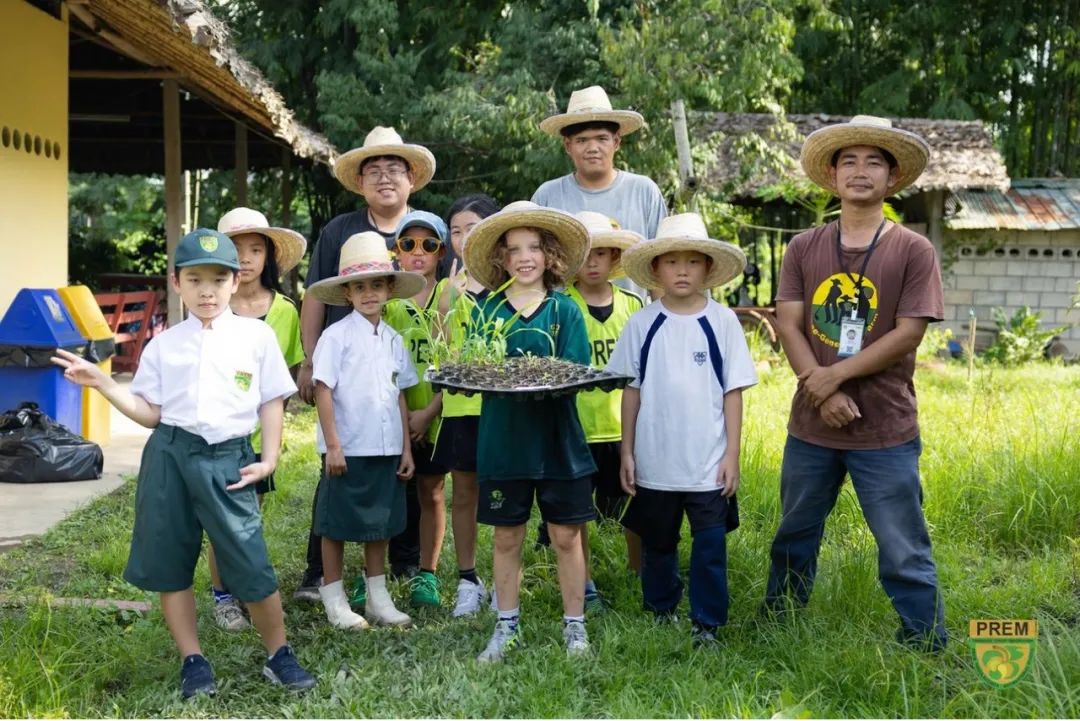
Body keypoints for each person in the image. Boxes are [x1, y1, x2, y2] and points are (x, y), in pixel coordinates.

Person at [51, 229, 315, 698]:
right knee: (172, 561)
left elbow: (272, 400)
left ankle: (279, 654)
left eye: (218, 279)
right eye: (195, 279)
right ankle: (193, 660)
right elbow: (151, 413)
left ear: (236, 282)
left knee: (250, 561)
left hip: (228, 458)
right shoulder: (164, 345)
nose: (207, 290)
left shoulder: (255, 337)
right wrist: (104, 385)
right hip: (170, 457)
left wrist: (269, 458)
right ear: (177, 283)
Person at [761, 115, 948, 652]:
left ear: (892, 179)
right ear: (831, 173)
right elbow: (789, 324)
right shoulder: (803, 247)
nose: (860, 171)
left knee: (902, 544)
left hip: (884, 427)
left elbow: (908, 332)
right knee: (795, 533)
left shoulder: (913, 250)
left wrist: (832, 378)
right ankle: (781, 627)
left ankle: (925, 640)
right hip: (811, 426)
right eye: (850, 161)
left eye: (874, 162)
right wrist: (820, 389)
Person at [295, 127, 436, 600]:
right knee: (336, 474)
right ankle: (320, 576)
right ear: (359, 181)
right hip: (343, 372)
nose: (384, 178)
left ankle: (403, 567)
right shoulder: (340, 231)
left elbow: (445, 294)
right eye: (373, 170)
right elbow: (314, 298)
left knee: (401, 473)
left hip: (405, 363)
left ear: (411, 178)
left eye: (394, 168)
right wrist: (309, 360)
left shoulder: (426, 230)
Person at [607, 213, 756, 646]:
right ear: (656, 269)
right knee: (658, 542)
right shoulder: (642, 323)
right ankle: (660, 609)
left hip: (708, 462)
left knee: (710, 546)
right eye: (673, 262)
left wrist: (731, 455)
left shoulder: (723, 322)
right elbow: (630, 392)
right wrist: (627, 452)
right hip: (655, 460)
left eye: (693, 262)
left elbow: (733, 393)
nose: (683, 271)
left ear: (709, 268)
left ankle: (707, 621)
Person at [462, 201, 596, 661]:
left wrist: (547, 379)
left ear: (549, 255)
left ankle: (575, 626)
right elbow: (476, 368)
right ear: (500, 257)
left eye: (534, 248)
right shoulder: (488, 310)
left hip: (559, 442)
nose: (524, 257)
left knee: (566, 536)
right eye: (514, 249)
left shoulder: (566, 309)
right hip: (504, 442)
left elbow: (577, 371)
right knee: (506, 536)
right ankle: (506, 625)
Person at [305, 231, 426, 629]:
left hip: (387, 446)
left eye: (377, 284)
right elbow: (323, 390)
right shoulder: (335, 337)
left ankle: (377, 596)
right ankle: (335, 598)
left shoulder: (393, 339)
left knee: (382, 522)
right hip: (349, 447)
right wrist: (334, 446)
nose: (369, 293)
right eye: (360, 286)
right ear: (347, 293)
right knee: (335, 522)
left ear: (389, 288)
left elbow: (399, 396)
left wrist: (406, 449)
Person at [201, 206, 306, 631]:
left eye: (255, 249)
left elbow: (287, 378)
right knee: (219, 517)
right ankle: (222, 596)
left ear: (269, 257)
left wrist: (273, 438)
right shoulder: (210, 309)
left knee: (249, 516)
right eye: (236, 249)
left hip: (260, 435)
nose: (245, 259)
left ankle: (245, 588)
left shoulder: (285, 311)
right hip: (217, 435)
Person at [562, 211, 644, 609]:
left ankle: (638, 571)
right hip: (578, 429)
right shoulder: (562, 305)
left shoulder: (633, 305)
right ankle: (586, 582)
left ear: (615, 258)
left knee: (636, 507)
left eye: (602, 253)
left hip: (624, 429)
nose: (593, 262)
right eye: (585, 253)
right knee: (579, 515)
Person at [432, 194, 502, 617]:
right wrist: (447, 302)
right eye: (455, 230)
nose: (462, 237)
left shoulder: (511, 282)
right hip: (461, 407)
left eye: (472, 227)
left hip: (501, 407)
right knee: (464, 493)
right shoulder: (447, 287)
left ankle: (503, 577)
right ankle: (468, 579)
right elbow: (440, 351)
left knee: (504, 495)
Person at [532, 85, 667, 296]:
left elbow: (660, 266)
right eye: (582, 140)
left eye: (601, 138)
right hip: (563, 322)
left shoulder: (643, 191)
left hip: (631, 322)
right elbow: (534, 268)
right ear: (568, 146)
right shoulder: (547, 196)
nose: (592, 148)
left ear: (616, 142)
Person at [382, 210, 452, 609]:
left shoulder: (451, 297)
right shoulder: (388, 298)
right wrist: (405, 416)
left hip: (437, 414)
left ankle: (427, 572)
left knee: (433, 491)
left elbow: (459, 362)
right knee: (389, 491)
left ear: (441, 252)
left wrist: (428, 414)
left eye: (429, 244)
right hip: (393, 416)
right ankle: (376, 569)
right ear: (397, 252)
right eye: (408, 244)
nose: (418, 252)